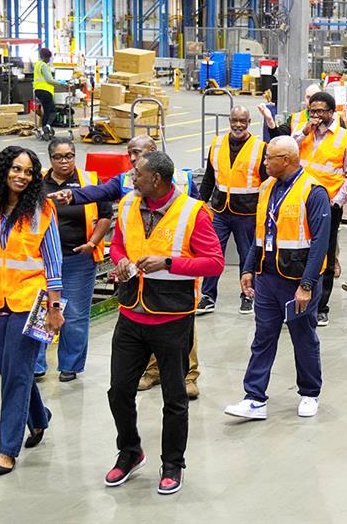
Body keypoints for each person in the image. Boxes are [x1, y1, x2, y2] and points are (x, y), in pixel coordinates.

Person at [47, 134, 203, 399]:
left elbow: (197, 217)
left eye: (137, 153)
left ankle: (189, 376)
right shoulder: (126, 180)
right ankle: (152, 372)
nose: (131, 159)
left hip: (173, 272)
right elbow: (99, 192)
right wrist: (72, 196)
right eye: (129, 153)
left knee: (180, 329)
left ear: (152, 151)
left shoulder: (182, 180)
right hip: (138, 272)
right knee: (146, 324)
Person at [104, 151, 223, 494]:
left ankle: (173, 463)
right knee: (119, 390)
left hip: (172, 319)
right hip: (131, 314)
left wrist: (169, 262)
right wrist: (121, 261)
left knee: (174, 397)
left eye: (137, 173)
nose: (132, 178)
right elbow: (117, 245)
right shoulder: (128, 204)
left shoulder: (192, 212)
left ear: (156, 179)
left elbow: (214, 262)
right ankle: (130, 451)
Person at [0, 146, 64, 475]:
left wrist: (54, 307)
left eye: (28, 171)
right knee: (7, 368)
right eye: (16, 168)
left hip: (31, 303)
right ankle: (38, 418)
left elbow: (54, 263)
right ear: (3, 170)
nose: (22, 176)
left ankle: (7, 450)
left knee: (17, 376)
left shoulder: (42, 210)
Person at [224, 136, 330, 420]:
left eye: (269, 158)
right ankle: (254, 397)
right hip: (267, 277)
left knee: (303, 337)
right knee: (263, 336)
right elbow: (260, 233)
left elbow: (320, 244)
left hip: (297, 280)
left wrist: (306, 285)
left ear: (286, 160)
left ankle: (310, 392)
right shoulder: (266, 187)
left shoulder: (313, 191)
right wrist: (248, 268)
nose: (264, 163)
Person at [275, 91, 347, 326]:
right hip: (298, 202)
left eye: (321, 111)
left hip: (327, 204)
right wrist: (303, 132)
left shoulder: (345, 138)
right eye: (313, 111)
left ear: (332, 112)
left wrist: (338, 200)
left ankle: (321, 306)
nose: (317, 116)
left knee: (324, 254)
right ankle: (292, 301)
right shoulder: (303, 133)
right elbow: (286, 151)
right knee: (296, 250)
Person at [36, 138, 111, 381]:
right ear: (50, 159)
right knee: (40, 309)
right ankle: (36, 365)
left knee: (76, 313)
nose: (64, 161)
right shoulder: (38, 183)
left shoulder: (89, 181)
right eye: (58, 157)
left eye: (69, 156)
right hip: (43, 260)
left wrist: (93, 243)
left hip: (78, 259)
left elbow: (105, 215)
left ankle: (70, 365)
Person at [198, 106, 268, 315]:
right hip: (220, 211)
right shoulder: (217, 144)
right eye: (234, 120)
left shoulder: (259, 148)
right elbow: (209, 177)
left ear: (249, 122)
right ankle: (208, 296)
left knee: (247, 256)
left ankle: (247, 295)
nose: (238, 125)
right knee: (213, 252)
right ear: (229, 121)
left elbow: (267, 183)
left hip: (247, 213)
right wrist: (200, 204)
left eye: (242, 121)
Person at [257, 83, 322, 137]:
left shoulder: (326, 118)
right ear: (304, 98)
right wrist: (270, 120)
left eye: (315, 97)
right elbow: (278, 136)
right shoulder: (295, 118)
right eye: (308, 97)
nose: (311, 100)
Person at [33, 48, 67, 137]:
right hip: (45, 91)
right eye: (48, 58)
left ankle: (45, 130)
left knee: (47, 111)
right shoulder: (44, 65)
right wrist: (60, 82)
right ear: (45, 57)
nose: (49, 60)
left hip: (38, 90)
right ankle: (47, 127)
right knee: (52, 111)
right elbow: (49, 80)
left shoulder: (37, 64)